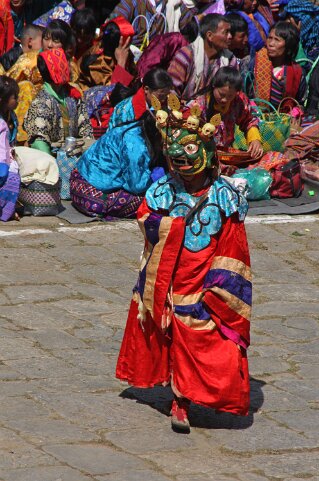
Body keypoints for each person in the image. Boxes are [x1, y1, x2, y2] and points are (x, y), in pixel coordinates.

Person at [116, 90, 251, 432]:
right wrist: (171, 227)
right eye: (174, 154)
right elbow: (146, 219)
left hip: (205, 279)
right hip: (168, 279)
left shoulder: (224, 197)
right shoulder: (162, 191)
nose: (180, 160)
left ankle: (193, 393)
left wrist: (217, 292)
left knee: (208, 336)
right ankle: (179, 399)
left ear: (207, 152)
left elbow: (233, 248)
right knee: (167, 334)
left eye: (189, 151)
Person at [70, 68, 173, 219]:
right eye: (161, 96)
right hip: (92, 188)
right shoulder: (134, 137)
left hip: (87, 176)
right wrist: (155, 179)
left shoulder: (145, 124)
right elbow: (135, 184)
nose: (163, 102)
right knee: (152, 198)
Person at [24, 48, 93, 154]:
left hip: (76, 155)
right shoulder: (41, 103)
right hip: (52, 160)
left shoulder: (72, 95)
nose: (69, 68)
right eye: (65, 64)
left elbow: (85, 128)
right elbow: (39, 143)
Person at [168, 13, 237, 101]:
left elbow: (232, 91)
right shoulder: (186, 55)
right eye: (226, 32)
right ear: (210, 36)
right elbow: (172, 90)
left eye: (230, 32)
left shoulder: (230, 60)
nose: (230, 36)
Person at [206, 66, 263, 158]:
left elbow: (249, 120)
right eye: (221, 94)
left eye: (230, 96)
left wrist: (255, 140)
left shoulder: (238, 101)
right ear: (214, 86)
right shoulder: (200, 104)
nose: (224, 100)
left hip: (226, 154)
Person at [250, 21, 306, 113]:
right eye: (270, 38)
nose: (271, 44)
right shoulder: (254, 63)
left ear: (288, 45)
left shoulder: (297, 72)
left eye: (277, 40)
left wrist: (295, 111)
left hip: (283, 120)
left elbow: (300, 102)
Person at [77, 16, 135, 91]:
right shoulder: (97, 63)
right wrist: (121, 63)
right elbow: (113, 92)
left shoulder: (124, 52)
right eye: (127, 44)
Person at [109, 0, 197, 48]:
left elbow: (191, 31)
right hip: (131, 61)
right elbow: (113, 27)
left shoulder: (175, 5)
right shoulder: (132, 3)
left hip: (157, 64)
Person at [0, 75, 20, 221]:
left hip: (8, 154)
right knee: (12, 175)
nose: (18, 100)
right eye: (15, 97)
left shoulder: (12, 116)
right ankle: (6, 209)